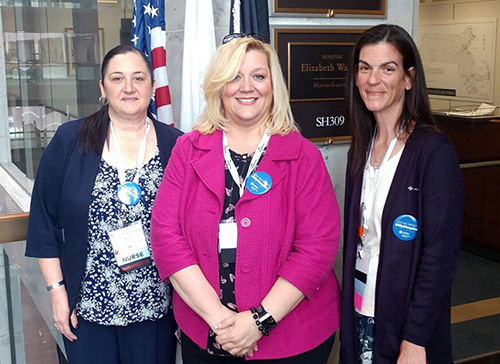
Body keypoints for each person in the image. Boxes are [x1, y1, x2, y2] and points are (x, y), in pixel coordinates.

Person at [151, 34, 341, 363]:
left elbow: (317, 247)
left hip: (291, 341)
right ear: (219, 85)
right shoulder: (188, 149)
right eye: (235, 76)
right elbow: (166, 236)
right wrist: (221, 322)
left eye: (258, 76)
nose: (246, 87)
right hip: (210, 334)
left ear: (273, 85)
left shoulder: (303, 157)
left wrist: (259, 321)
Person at [25, 44, 182, 364]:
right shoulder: (70, 139)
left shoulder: (176, 144)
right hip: (87, 311)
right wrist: (57, 292)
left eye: (138, 78)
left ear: (153, 86)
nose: (128, 87)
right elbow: (43, 219)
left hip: (155, 309)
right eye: (117, 78)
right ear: (102, 87)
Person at [339, 24, 465, 364]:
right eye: (365, 67)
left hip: (404, 325)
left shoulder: (433, 152)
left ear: (409, 78)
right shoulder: (361, 149)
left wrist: (415, 338)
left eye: (387, 68)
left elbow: (439, 257)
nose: (373, 79)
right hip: (360, 310)